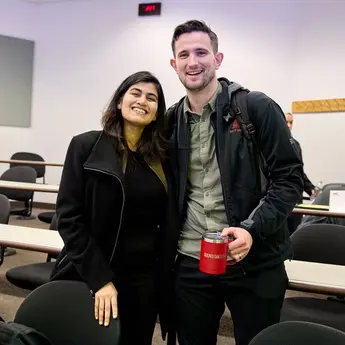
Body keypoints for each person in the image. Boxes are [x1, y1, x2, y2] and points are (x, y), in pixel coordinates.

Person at [166, 20, 304, 345]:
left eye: (202, 52)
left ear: (218, 58)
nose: (193, 61)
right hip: (191, 261)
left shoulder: (255, 107)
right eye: (184, 54)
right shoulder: (170, 121)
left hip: (253, 262)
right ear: (174, 64)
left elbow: (289, 180)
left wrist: (251, 229)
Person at [50, 71, 179, 345]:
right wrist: (100, 279)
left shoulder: (162, 160)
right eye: (135, 93)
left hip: (144, 280)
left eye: (152, 98)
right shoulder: (86, 146)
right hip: (95, 273)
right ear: (120, 101)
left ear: (157, 113)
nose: (142, 101)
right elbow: (69, 218)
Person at [285, 112, 316, 233]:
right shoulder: (273, 143)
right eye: (286, 121)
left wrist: (311, 189)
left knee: (295, 232)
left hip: (295, 198)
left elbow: (299, 172)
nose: (288, 125)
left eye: (291, 122)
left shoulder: (296, 144)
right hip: (280, 199)